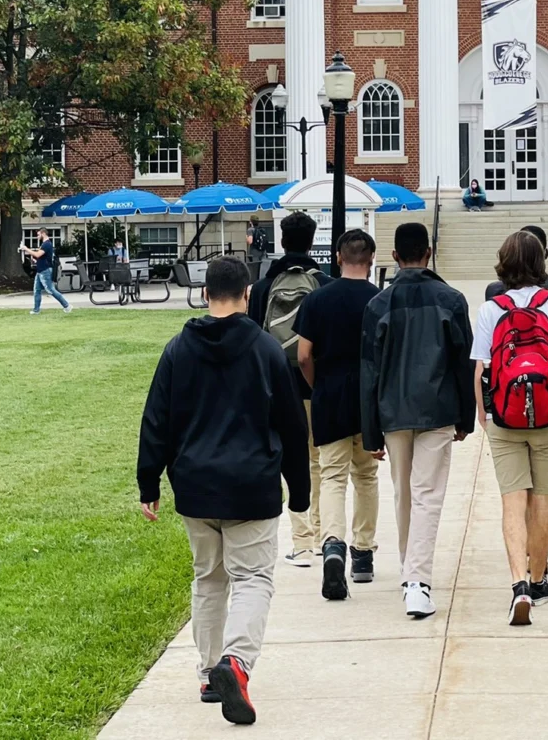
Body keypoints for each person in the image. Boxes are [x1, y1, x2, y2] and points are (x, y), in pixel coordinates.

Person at [137, 256, 311, 726]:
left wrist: (148, 481)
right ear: (248, 294)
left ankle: (207, 671)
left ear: (205, 293)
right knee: (253, 578)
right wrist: (299, 489)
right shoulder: (266, 350)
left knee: (208, 578)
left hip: (195, 484)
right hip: (251, 484)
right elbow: (292, 427)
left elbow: (157, 418)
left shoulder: (178, 349)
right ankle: (234, 662)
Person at [361, 221, 475, 619]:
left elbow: (369, 372)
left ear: (394, 257)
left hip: (393, 410)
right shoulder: (451, 299)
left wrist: (370, 428)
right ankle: (417, 580)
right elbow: (463, 363)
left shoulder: (378, 304)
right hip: (438, 406)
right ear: (428, 253)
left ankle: (412, 573)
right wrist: (466, 416)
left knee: (404, 494)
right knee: (427, 495)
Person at [472, 231, 548, 626]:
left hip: (505, 414)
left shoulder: (491, 309)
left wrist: (483, 412)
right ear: (542, 261)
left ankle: (518, 582)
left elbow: (481, 368)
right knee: (543, 499)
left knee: (512, 501)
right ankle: (538, 580)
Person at [293, 229, 382, 601]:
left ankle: (332, 544)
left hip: (329, 391)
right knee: (366, 474)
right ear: (372, 260)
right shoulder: (380, 300)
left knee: (331, 476)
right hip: (367, 397)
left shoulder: (317, 300)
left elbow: (302, 355)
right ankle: (362, 553)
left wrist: (317, 386)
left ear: (337, 257)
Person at [248, 211, 331, 567]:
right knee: (319, 462)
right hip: (316, 385)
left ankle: (300, 543)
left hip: (276, 389)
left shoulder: (265, 286)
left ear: (282, 241)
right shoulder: (325, 284)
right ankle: (323, 533)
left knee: (289, 462)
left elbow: (252, 337)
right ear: (312, 242)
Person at [19, 228, 70, 314]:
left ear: (43, 234)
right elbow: (42, 257)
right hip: (41, 270)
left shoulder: (46, 244)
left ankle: (67, 306)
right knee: (37, 290)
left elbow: (38, 254)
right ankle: (36, 310)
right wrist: (36, 261)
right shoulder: (45, 244)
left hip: (45, 270)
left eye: (38, 235)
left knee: (51, 290)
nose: (37, 237)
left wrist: (25, 248)